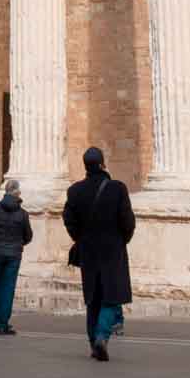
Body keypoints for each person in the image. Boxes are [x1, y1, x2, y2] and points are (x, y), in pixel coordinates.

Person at [62, 146, 135, 362]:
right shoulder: (117, 188)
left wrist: (80, 238)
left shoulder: (75, 191)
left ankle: (93, 341)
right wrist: (122, 239)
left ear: (85, 166)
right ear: (103, 164)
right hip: (112, 249)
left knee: (93, 297)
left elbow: (68, 219)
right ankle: (102, 337)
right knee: (112, 296)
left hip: (88, 250)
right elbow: (128, 221)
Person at [0, 177, 32, 335]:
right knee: (7, 289)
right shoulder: (23, 214)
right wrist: (18, 244)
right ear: (17, 193)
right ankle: (2, 322)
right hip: (13, 254)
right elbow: (28, 236)